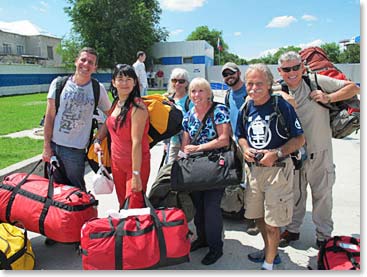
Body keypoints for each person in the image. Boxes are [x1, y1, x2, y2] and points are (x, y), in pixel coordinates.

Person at [276, 51, 360, 248]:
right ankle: (292, 230)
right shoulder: (279, 88)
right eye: (287, 69)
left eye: (296, 67)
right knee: (294, 195)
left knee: (322, 196)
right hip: (294, 153)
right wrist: (279, 94)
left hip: (320, 151)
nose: (292, 72)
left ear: (302, 67)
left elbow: (353, 88)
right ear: (280, 71)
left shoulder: (315, 80)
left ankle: (323, 235)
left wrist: (328, 97)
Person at [236, 64, 305, 270]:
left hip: (278, 171)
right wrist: (245, 148)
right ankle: (270, 252)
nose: (254, 88)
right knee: (258, 217)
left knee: (273, 221)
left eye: (259, 83)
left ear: (269, 84)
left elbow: (300, 138)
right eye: (250, 83)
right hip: (255, 171)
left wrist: (277, 153)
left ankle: (269, 265)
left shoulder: (281, 106)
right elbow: (240, 135)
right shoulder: (246, 108)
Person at [42, 47, 111, 191]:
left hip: (76, 152)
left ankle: (86, 214)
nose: (86, 64)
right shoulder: (59, 84)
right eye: (83, 60)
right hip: (54, 146)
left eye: (90, 62)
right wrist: (46, 146)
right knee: (54, 191)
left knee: (77, 192)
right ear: (76, 61)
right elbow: (49, 116)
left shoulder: (97, 89)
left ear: (95, 67)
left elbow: (111, 116)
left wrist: (98, 138)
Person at [181, 77, 231, 265]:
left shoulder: (219, 111)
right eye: (193, 91)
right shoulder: (189, 115)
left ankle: (215, 248)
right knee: (198, 208)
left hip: (215, 167)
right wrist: (184, 152)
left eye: (201, 91)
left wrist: (199, 148)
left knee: (211, 208)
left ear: (209, 93)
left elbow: (224, 139)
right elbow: (186, 145)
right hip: (196, 168)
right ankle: (202, 240)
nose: (196, 95)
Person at [94, 64, 150, 209]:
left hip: (136, 165)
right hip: (117, 165)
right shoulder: (116, 104)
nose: (124, 83)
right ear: (113, 82)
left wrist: (136, 174)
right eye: (120, 79)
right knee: (122, 205)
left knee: (134, 208)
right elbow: (108, 123)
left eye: (128, 79)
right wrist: (98, 140)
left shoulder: (138, 107)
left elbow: (136, 142)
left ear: (135, 82)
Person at [221, 62, 259, 236]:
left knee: (253, 183)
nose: (229, 76)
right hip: (235, 143)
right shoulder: (228, 95)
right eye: (225, 74)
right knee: (238, 180)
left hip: (251, 144)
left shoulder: (250, 91)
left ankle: (253, 219)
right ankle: (238, 210)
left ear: (238, 73)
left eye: (231, 73)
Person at [163, 68, 193, 165]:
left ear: (186, 83)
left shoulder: (190, 100)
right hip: (172, 141)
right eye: (174, 80)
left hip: (188, 141)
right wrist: (165, 142)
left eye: (181, 81)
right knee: (169, 170)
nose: (177, 84)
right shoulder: (167, 99)